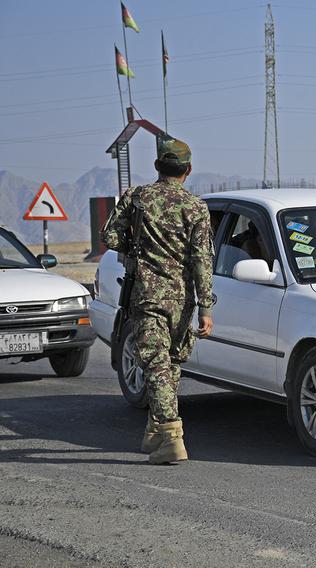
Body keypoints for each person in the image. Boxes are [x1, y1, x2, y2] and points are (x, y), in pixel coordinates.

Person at [101, 136, 214, 464]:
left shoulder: (137, 197)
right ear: (188, 170)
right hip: (182, 300)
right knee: (170, 364)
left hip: (148, 297)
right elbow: (202, 260)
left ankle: (170, 436)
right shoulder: (196, 207)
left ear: (156, 166)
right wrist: (206, 307)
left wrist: (134, 247)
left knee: (155, 364)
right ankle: (155, 430)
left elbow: (108, 235)